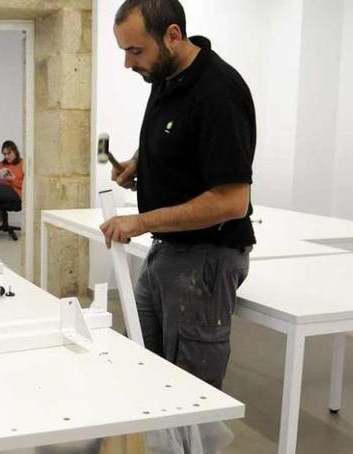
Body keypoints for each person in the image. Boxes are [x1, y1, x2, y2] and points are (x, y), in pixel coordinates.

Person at [101, 0, 255, 389]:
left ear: (172, 35)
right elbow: (178, 139)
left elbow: (231, 201)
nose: (128, 63)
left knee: (189, 391)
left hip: (205, 262)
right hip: (167, 252)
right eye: (124, 52)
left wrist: (140, 221)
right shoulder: (166, 77)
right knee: (138, 368)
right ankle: (125, 452)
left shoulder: (220, 92)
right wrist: (141, 163)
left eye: (136, 51)